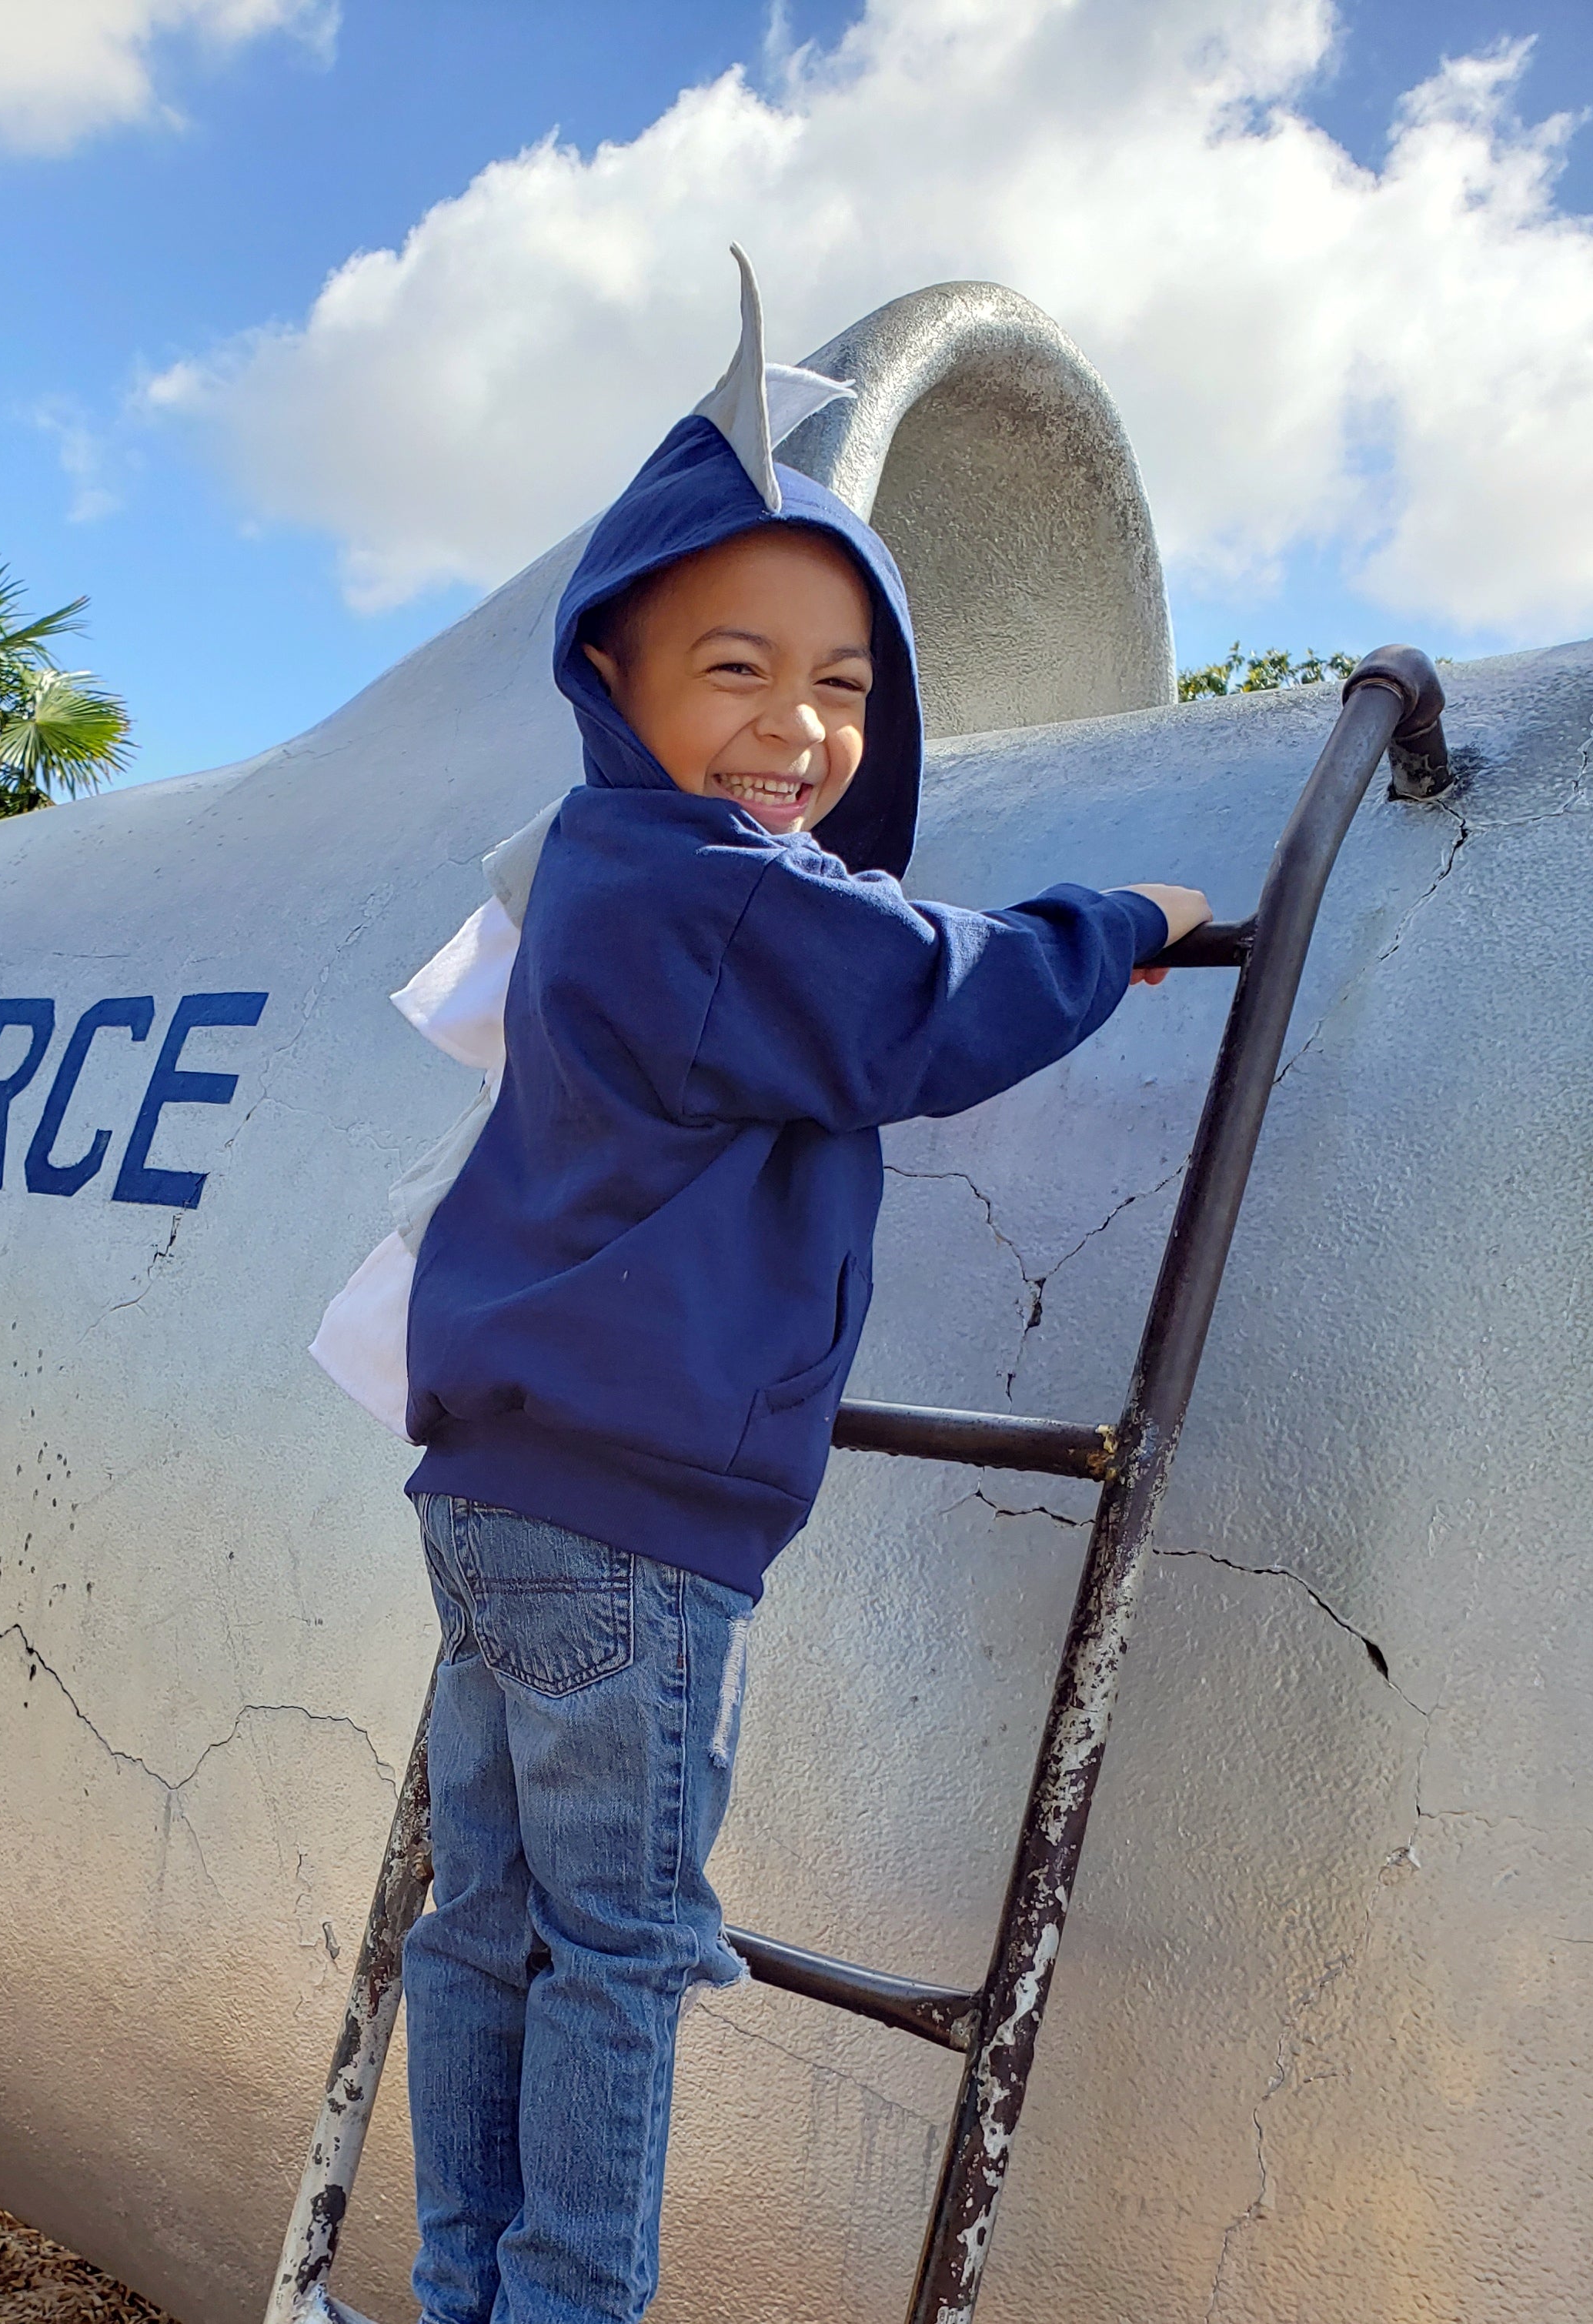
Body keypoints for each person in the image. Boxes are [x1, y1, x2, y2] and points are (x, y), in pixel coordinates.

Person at [313, 252, 1208, 2324]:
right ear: (611, 679)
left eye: (849, 685)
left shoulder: (601, 877)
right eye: (737, 667)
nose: (800, 726)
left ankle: (467, 2287)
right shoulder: (719, 898)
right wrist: (1127, 912)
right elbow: (931, 1000)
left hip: (499, 1499)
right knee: (625, 1945)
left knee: (497, 1923)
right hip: (636, 1525)